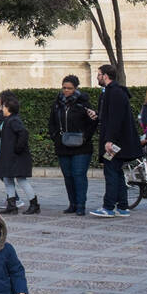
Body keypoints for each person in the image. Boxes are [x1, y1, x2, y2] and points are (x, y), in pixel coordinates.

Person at [89, 64, 141, 218]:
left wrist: (109, 140)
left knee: (111, 172)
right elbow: (109, 115)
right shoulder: (110, 92)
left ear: (105, 76)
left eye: (99, 74)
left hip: (114, 143)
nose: (97, 77)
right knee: (117, 173)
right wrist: (98, 115)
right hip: (116, 141)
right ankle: (123, 207)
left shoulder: (115, 93)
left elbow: (116, 119)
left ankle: (109, 207)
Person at [48, 77, 95, 215]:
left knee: (78, 175)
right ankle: (72, 203)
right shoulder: (57, 104)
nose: (66, 90)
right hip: (63, 144)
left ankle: (81, 205)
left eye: (69, 88)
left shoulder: (83, 103)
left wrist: (85, 136)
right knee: (68, 175)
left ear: (76, 88)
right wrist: (55, 136)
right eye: (64, 87)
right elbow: (52, 123)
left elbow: (92, 122)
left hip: (82, 146)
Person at [0, 91, 38, 215]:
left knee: (21, 180)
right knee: (8, 180)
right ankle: (11, 205)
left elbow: (23, 133)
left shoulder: (14, 120)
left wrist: (18, 148)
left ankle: (34, 204)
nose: (2, 108)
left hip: (15, 156)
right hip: (8, 156)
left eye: (3, 107)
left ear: (8, 108)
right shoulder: (8, 120)